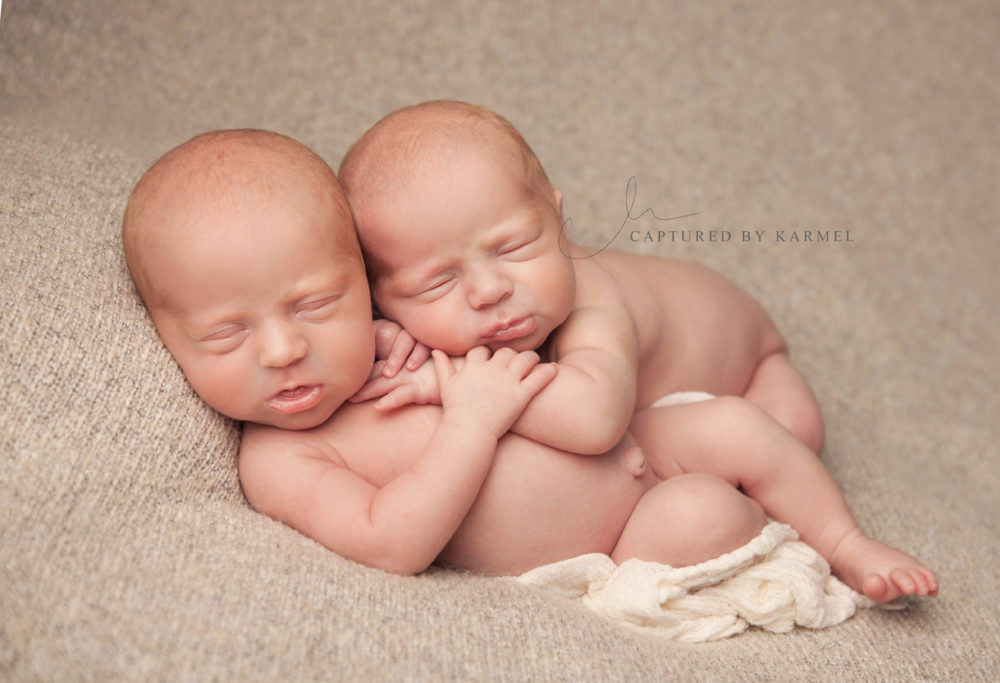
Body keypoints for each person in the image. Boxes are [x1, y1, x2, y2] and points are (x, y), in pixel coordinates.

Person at [338, 101, 938, 602]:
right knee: (706, 477)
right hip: (659, 423)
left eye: (515, 246)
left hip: (749, 361)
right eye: (435, 284)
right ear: (381, 299)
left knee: (785, 435)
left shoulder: (591, 293)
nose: (490, 290)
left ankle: (846, 544)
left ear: (558, 217)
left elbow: (596, 419)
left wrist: (455, 379)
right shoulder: (432, 313)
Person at [120, 128, 767, 579]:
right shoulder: (279, 457)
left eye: (317, 306)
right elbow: (388, 541)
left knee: (764, 434)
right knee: (705, 514)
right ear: (167, 336)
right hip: (629, 549)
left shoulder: (396, 337)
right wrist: (470, 422)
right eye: (228, 334)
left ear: (368, 284)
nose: (286, 349)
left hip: (651, 440)